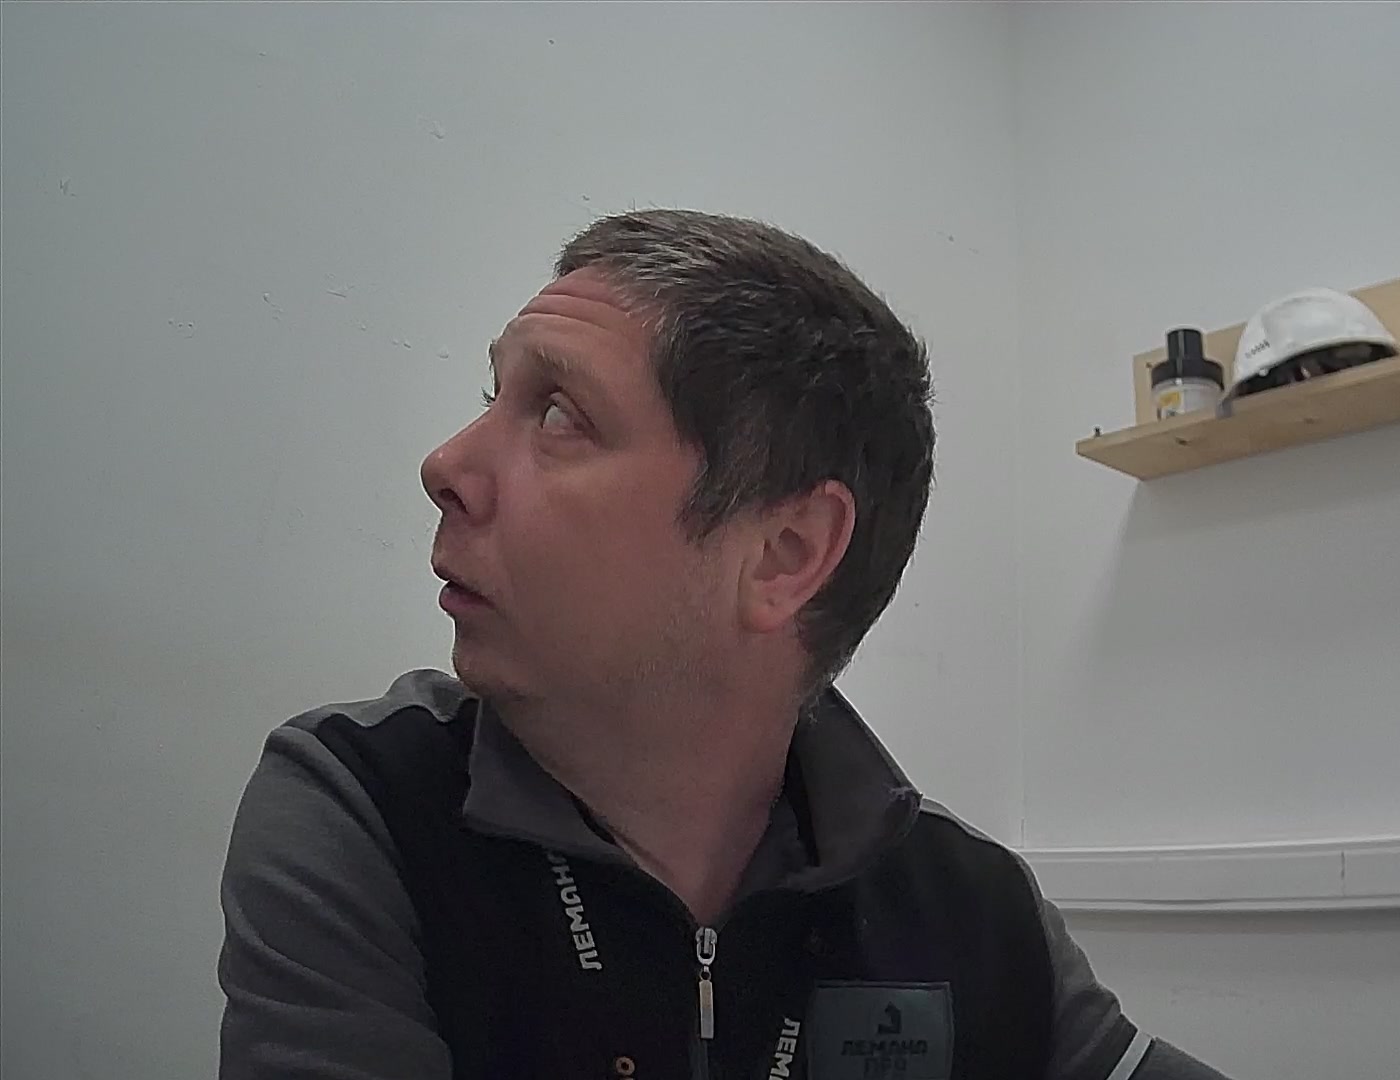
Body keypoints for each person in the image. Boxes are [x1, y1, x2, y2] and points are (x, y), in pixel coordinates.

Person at [217, 211, 1230, 1079]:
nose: (445, 465)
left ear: (785, 554)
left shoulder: (972, 910)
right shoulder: (365, 805)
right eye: (495, 397)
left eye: (560, 413)